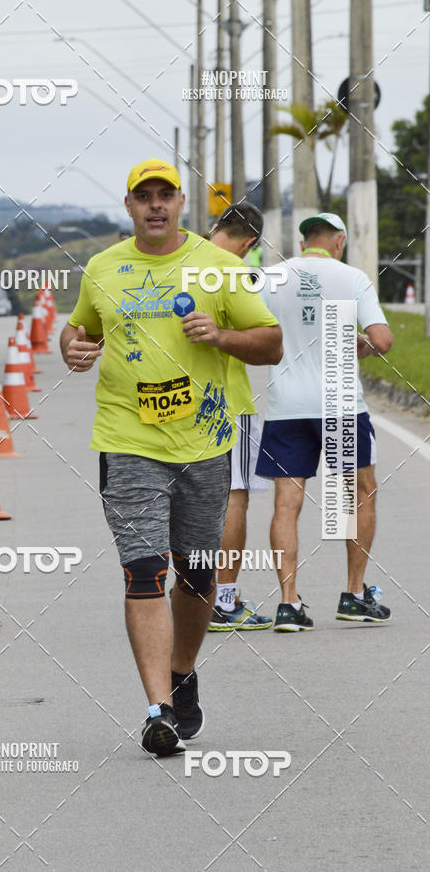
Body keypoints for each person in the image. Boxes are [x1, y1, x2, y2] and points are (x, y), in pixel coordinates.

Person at [60, 158, 282, 756]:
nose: (155, 204)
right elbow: (78, 331)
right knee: (143, 571)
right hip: (127, 439)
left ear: (182, 203)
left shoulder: (221, 268)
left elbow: (272, 345)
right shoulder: (103, 268)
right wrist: (71, 347)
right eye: (144, 196)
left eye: (165, 195)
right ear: (129, 206)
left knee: (197, 573)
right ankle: (157, 709)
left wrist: (222, 336)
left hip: (204, 442)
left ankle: (182, 672)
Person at [255, 213, 393, 632]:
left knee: (286, 504)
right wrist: (360, 345)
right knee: (359, 495)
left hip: (287, 406)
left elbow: (244, 326)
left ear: (302, 244)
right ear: (340, 241)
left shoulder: (272, 277)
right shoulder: (352, 278)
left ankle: (288, 603)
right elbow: (382, 340)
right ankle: (353, 595)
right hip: (341, 405)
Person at [207, 203, 273, 631]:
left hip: (178, 406)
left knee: (188, 504)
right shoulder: (235, 274)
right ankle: (224, 599)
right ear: (250, 243)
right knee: (234, 497)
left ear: (216, 226)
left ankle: (191, 592)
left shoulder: (181, 259)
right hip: (229, 403)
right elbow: (263, 342)